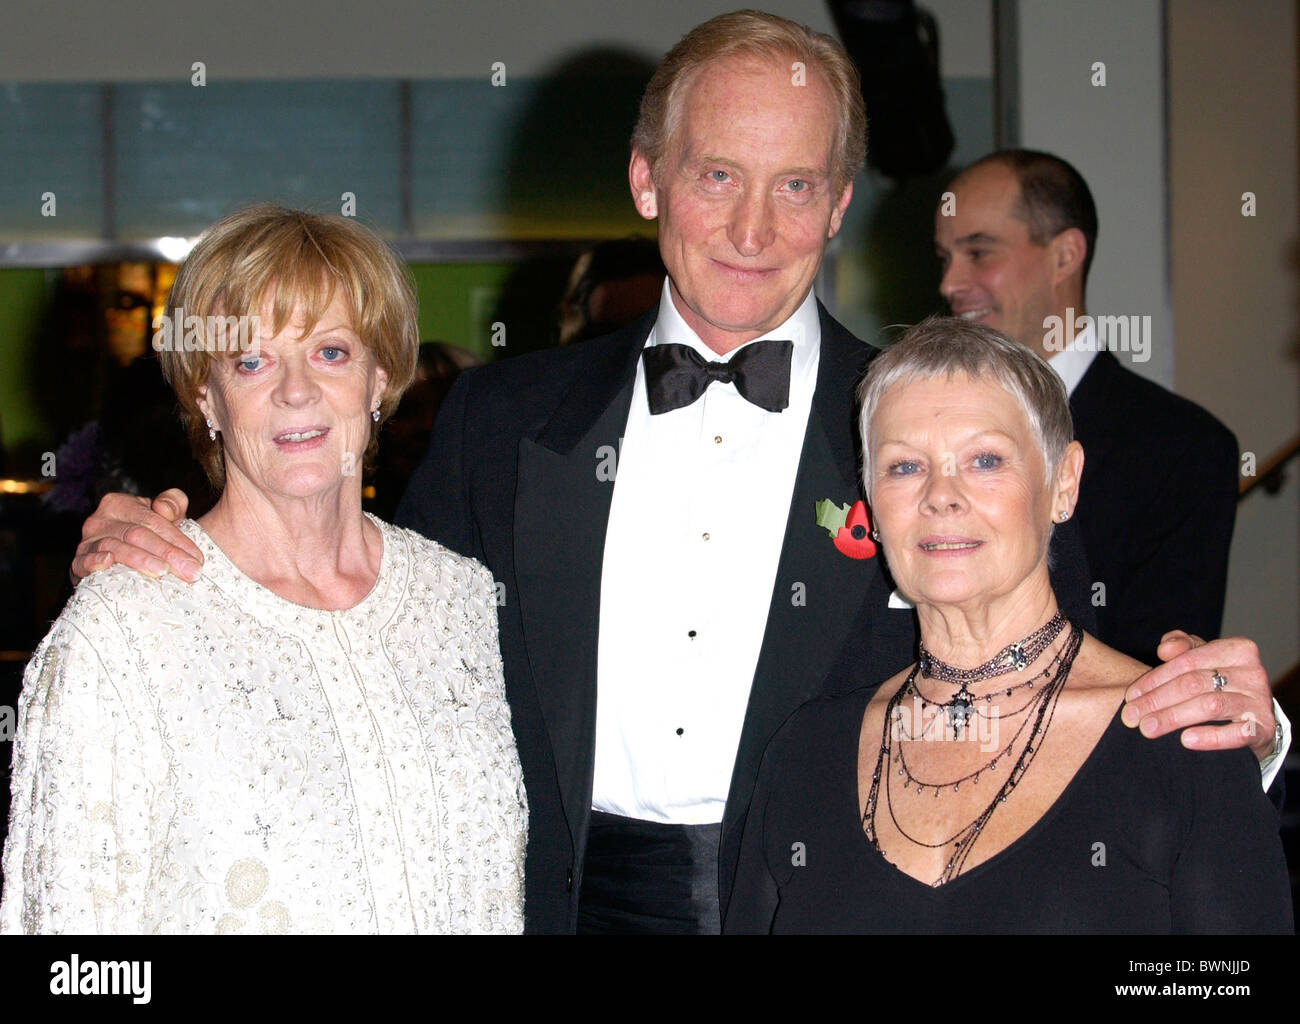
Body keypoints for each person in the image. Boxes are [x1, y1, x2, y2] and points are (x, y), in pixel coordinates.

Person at [69, 12, 1284, 934]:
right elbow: (369, 617)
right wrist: (184, 557)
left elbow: (1065, 657)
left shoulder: (918, 427)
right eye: (717, 176)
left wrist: (1245, 727)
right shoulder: (503, 420)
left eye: (795, 185)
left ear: (840, 204)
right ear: (648, 179)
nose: (753, 229)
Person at [2, 205, 526, 934]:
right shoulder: (124, 631)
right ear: (205, 397)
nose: (295, 390)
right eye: (250, 360)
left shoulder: (462, 600)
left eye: (331, 352)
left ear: (380, 378)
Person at [726, 317, 1292, 933]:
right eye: (904, 467)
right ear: (871, 504)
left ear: (1063, 484)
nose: (941, 495)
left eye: (985, 459)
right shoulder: (806, 753)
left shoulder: (1178, 741)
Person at [934, 150, 1240, 667]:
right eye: (944, 259)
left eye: (980, 253)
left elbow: (1159, 666)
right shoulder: (925, 423)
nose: (949, 284)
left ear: (1064, 256)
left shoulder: (1182, 446)